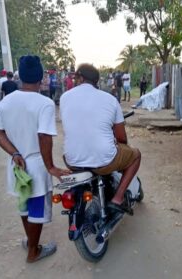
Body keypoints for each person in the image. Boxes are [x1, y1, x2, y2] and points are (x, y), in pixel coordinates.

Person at [0, 55, 71, 263]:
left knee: (24, 205)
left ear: (20, 77)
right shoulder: (44, 103)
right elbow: (44, 137)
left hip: (17, 165)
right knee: (36, 209)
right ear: (41, 78)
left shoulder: (5, 103)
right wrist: (51, 167)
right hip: (36, 165)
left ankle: (31, 241)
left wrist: (15, 153)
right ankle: (33, 252)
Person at [60, 63, 141, 214]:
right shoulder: (110, 99)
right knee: (135, 155)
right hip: (104, 161)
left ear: (81, 78)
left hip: (71, 160)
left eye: (76, 77)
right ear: (96, 81)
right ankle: (117, 199)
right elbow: (121, 137)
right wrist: (121, 146)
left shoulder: (65, 97)